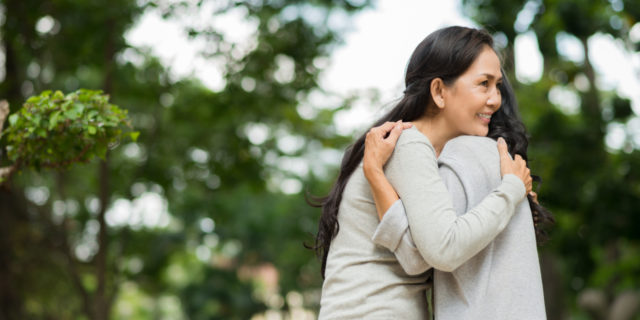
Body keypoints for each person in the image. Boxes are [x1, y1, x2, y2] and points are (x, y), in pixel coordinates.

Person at [311, 26, 542, 319]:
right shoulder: (407, 144)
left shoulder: (427, 155)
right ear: (438, 91)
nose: (495, 99)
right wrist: (510, 190)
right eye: (483, 84)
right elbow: (444, 249)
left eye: (497, 85)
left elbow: (416, 258)